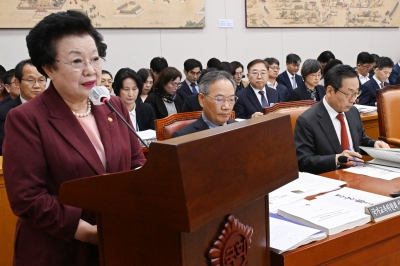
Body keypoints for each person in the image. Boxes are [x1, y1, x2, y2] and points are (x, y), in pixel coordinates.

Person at [3, 11, 146, 266]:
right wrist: (89, 233)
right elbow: (28, 198)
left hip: (118, 241)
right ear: (49, 67)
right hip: (60, 249)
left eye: (95, 58)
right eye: (77, 61)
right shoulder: (27, 119)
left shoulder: (112, 105)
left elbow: (135, 162)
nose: (91, 70)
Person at [294, 64, 389, 175]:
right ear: (330, 91)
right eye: (348, 94)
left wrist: (374, 144)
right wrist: (337, 159)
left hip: (358, 175)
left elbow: (360, 141)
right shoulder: (307, 120)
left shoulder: (352, 112)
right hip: (330, 178)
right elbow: (303, 161)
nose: (353, 100)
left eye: (356, 93)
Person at [0, 59, 46, 155]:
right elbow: (4, 146)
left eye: (41, 80)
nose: (37, 86)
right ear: (17, 83)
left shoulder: (56, 109)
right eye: (30, 80)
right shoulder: (4, 112)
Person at [172, 71, 236, 137]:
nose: (226, 107)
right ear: (202, 99)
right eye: (219, 99)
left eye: (231, 99)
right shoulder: (184, 137)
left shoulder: (240, 128)